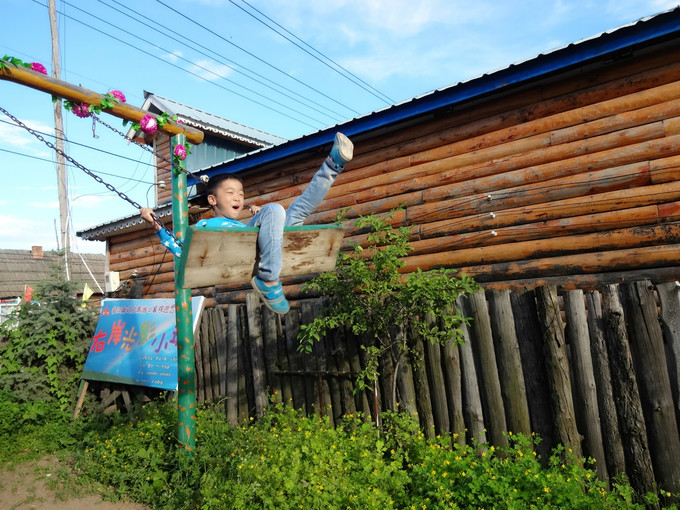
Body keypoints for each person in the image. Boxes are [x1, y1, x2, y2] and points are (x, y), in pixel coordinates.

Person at [140, 132, 353, 315]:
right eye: (230, 193)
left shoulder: (243, 227)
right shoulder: (207, 226)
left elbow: (261, 226)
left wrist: (267, 222)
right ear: (212, 200)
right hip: (251, 258)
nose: (237, 198)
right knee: (275, 209)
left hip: (267, 246)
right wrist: (156, 224)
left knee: (299, 207)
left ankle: (333, 164)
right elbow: (180, 249)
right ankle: (268, 280)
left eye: (240, 194)